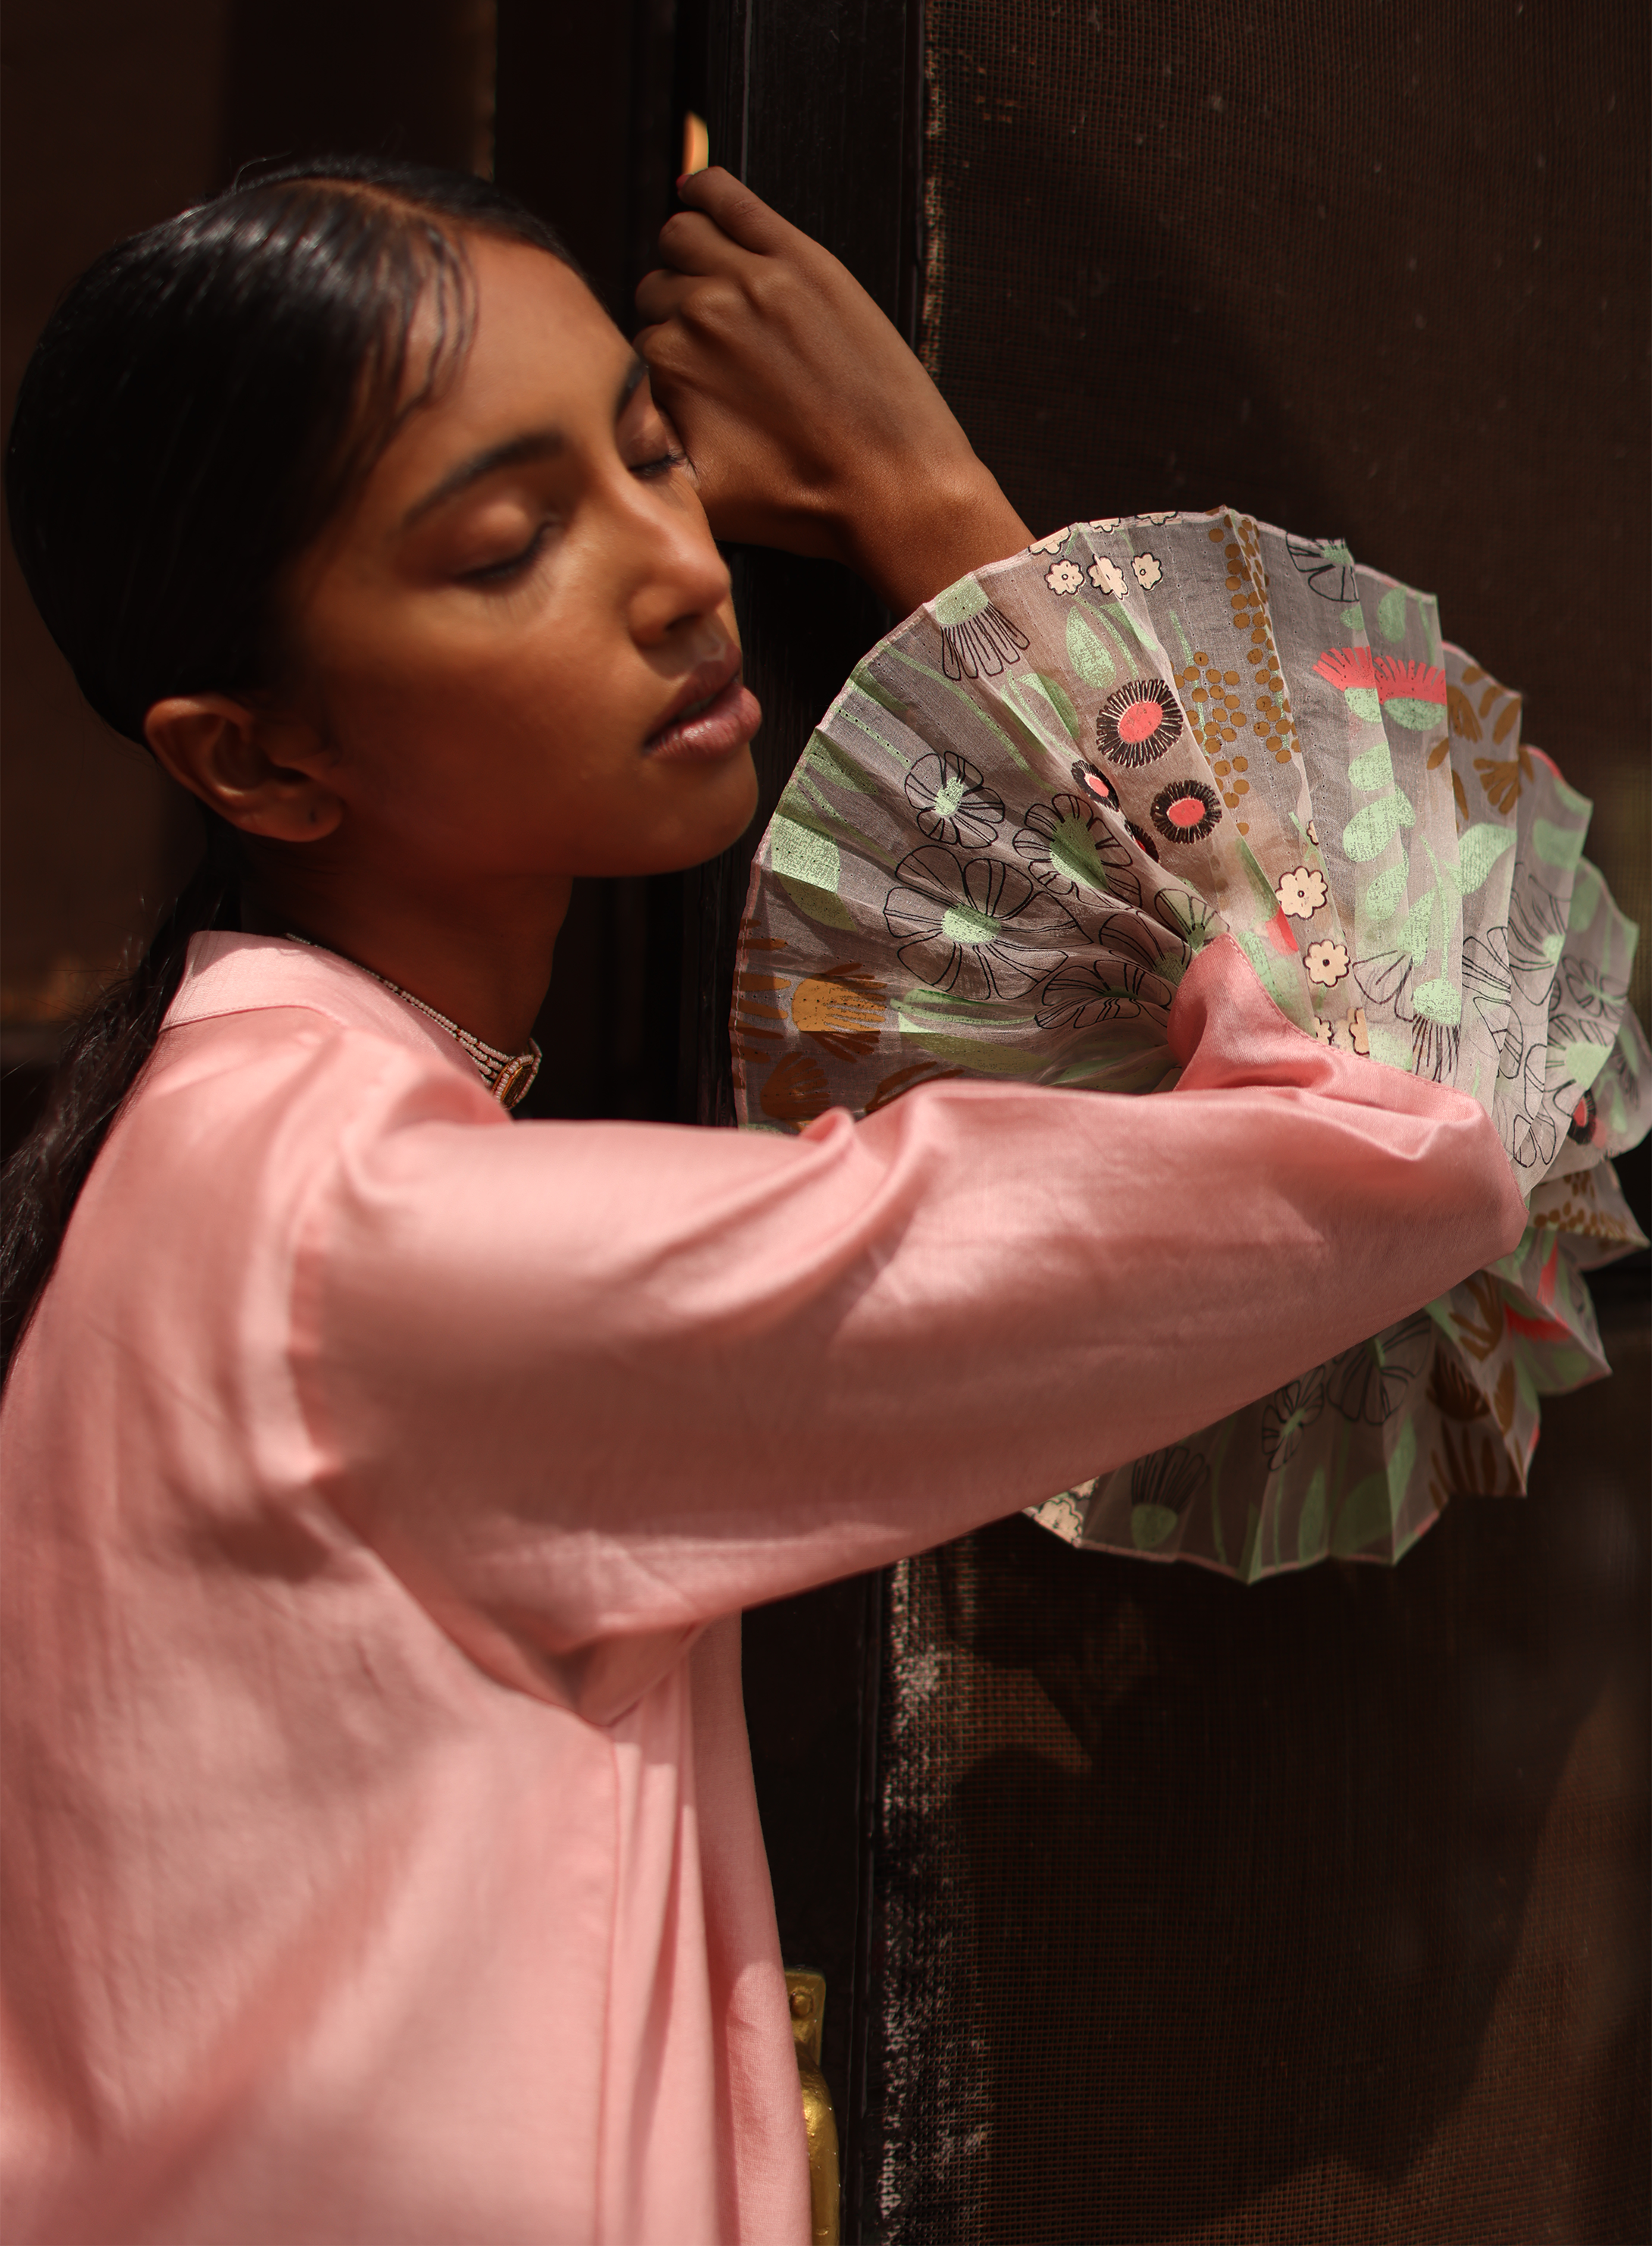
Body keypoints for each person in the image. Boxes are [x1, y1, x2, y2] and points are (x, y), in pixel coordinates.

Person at [0, 157, 1524, 2245]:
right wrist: (940, 524)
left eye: (651, 452)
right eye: (512, 541)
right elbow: (1427, 1118)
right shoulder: (368, 1245)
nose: (678, 567)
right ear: (258, 764)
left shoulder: (207, 1161)